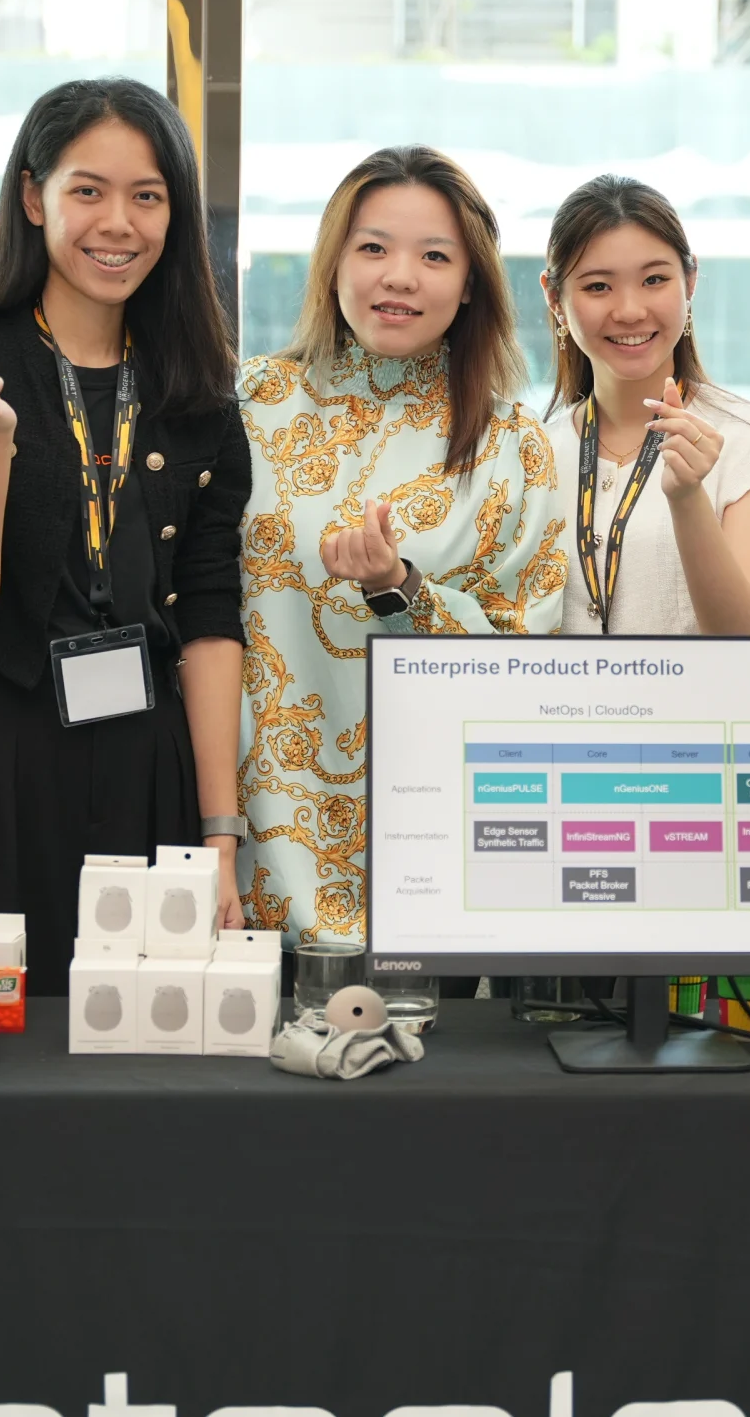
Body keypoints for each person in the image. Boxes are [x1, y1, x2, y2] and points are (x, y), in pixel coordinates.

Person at [0, 79, 251, 986]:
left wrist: (220, 835)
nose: (117, 222)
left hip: (150, 763)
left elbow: (211, 619)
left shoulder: (197, 382)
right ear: (32, 196)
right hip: (1, 752)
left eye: (147, 196)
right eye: (87, 190)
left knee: (149, 1037)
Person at [238, 145, 567, 941]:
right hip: (247, 846)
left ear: (472, 282)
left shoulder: (513, 446)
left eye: (434, 256)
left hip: (432, 852)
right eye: (374, 247)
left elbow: (523, 667)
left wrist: (403, 589)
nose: (400, 276)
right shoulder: (251, 404)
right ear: (333, 263)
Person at [539, 175, 750, 635]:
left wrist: (686, 498)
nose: (629, 310)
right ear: (554, 298)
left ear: (690, 281)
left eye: (654, 280)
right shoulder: (532, 452)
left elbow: (742, 640)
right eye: (598, 286)